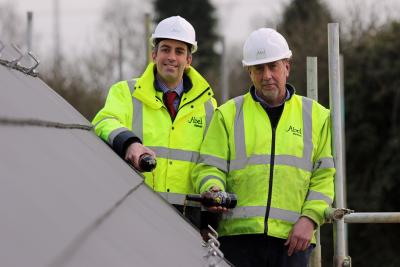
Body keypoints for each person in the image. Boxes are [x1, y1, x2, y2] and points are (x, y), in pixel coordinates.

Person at [192, 28, 335, 267]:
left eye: (273, 66)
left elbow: (324, 177)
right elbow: (209, 166)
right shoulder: (228, 114)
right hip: (238, 240)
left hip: (293, 240)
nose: (267, 75)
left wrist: (309, 219)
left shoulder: (316, 116)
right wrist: (213, 187)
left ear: (287, 67)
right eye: (259, 68)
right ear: (250, 72)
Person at [92, 16, 217, 231]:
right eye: (165, 49)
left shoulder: (209, 107)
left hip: (187, 220)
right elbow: (103, 121)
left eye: (179, 51)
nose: (171, 57)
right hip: (135, 209)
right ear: (154, 55)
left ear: (188, 60)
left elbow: (210, 162)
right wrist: (130, 143)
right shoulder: (125, 93)